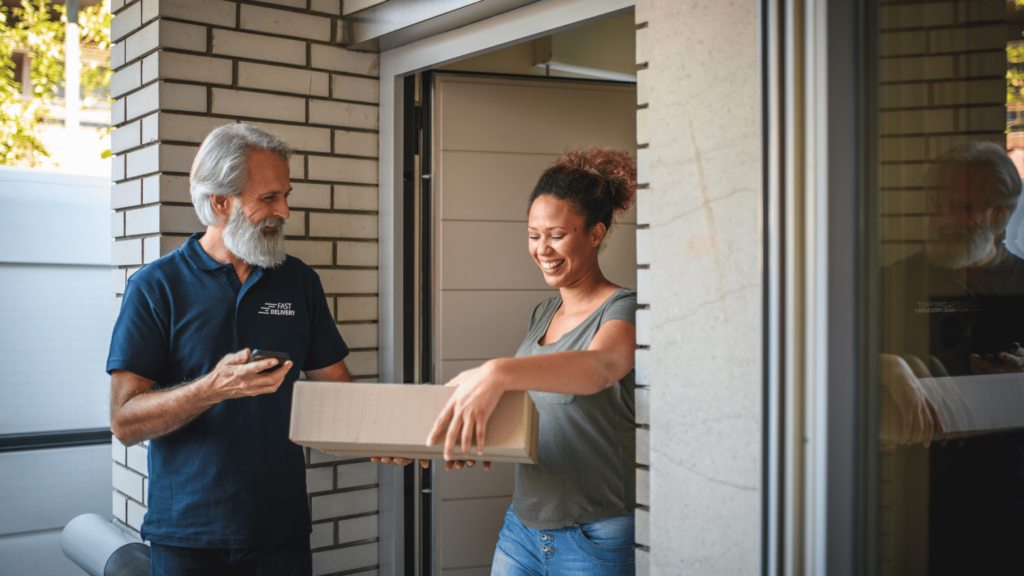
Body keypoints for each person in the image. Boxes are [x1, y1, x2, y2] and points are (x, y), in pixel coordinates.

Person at [107, 123, 353, 576]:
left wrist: (391, 436)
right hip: (187, 536)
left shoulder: (299, 281)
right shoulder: (156, 287)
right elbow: (124, 423)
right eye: (269, 197)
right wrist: (212, 388)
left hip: (281, 531)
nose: (284, 211)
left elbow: (341, 396)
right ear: (221, 202)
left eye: (286, 196)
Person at [428, 148, 639, 575]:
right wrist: (471, 436)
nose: (542, 249)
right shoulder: (544, 312)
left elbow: (601, 367)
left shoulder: (624, 308)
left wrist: (498, 372)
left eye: (556, 235)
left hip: (594, 536)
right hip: (523, 528)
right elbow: (542, 408)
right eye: (533, 235)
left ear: (595, 234)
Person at [880, 141, 1024, 574]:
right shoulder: (894, 281)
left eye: (960, 207)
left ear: (998, 215)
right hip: (924, 500)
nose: (941, 218)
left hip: (1010, 495)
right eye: (935, 204)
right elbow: (823, 358)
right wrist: (885, 365)